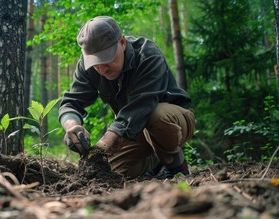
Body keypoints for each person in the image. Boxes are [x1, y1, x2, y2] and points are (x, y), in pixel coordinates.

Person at [59, 16, 195, 179]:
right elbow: (71, 103)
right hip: (134, 132)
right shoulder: (86, 66)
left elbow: (139, 109)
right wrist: (72, 127)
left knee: (156, 115)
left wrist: (99, 149)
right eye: (95, 63)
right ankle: (154, 163)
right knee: (105, 171)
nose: (102, 69)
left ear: (122, 42)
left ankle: (176, 166)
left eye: (106, 59)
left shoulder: (147, 55)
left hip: (173, 120)